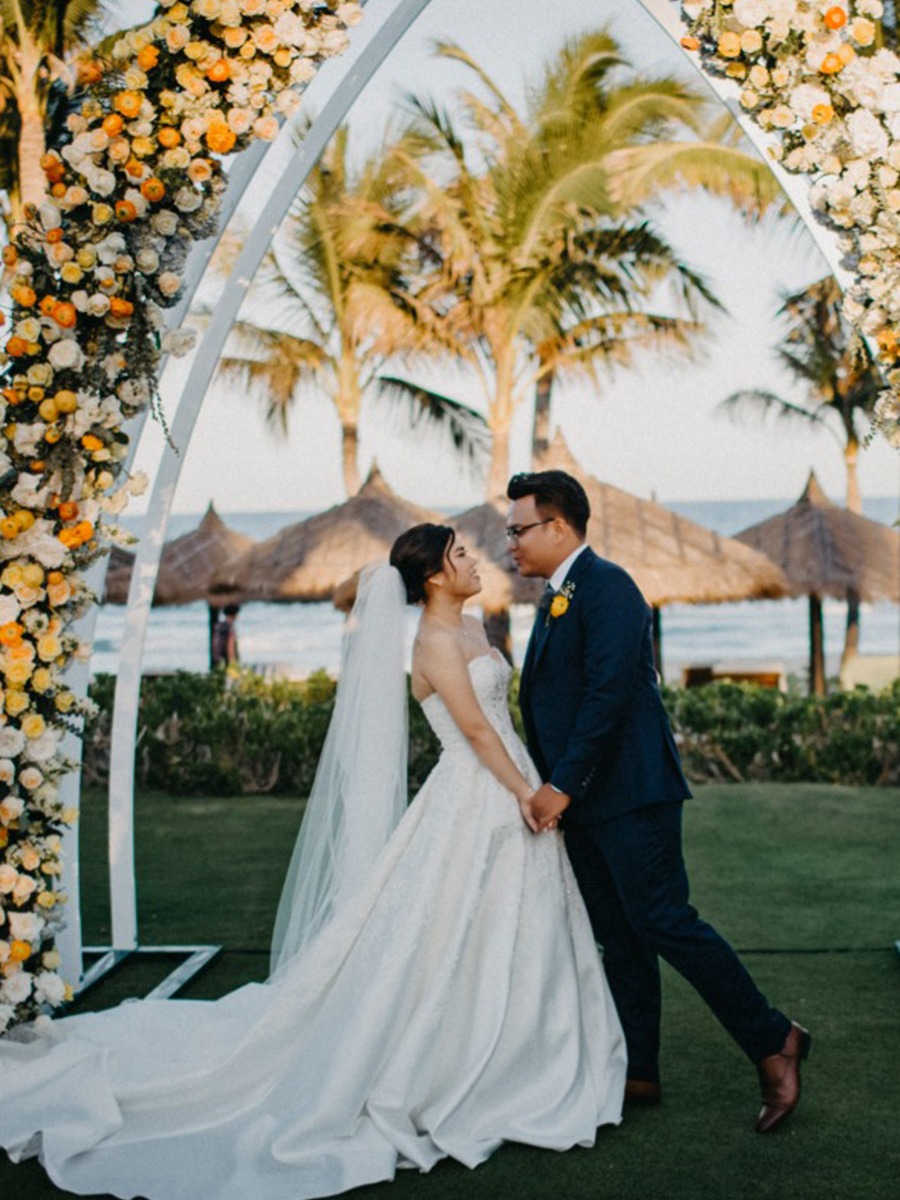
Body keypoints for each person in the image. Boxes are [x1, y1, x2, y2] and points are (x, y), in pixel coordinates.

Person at [0, 523, 626, 1200]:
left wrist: (534, 784)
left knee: (517, 920)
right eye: (461, 555)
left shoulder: (477, 630)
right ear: (435, 576)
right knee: (448, 925)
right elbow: (474, 731)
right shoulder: (435, 642)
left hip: (510, 781)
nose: (475, 561)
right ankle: (469, 1061)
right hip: (480, 791)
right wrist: (529, 795)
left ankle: (532, 1051)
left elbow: (503, 718)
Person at [507, 470, 810, 1134]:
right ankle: (637, 1068)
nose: (510, 543)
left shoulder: (608, 587)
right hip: (588, 802)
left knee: (665, 921)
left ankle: (773, 1040)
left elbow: (608, 696)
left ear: (559, 527)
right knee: (619, 938)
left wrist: (560, 785)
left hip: (630, 794)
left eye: (519, 528)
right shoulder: (559, 596)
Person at [210, 603, 240, 668]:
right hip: (227, 660)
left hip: (218, 659)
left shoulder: (219, 626)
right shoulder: (230, 628)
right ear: (234, 615)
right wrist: (233, 663)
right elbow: (230, 647)